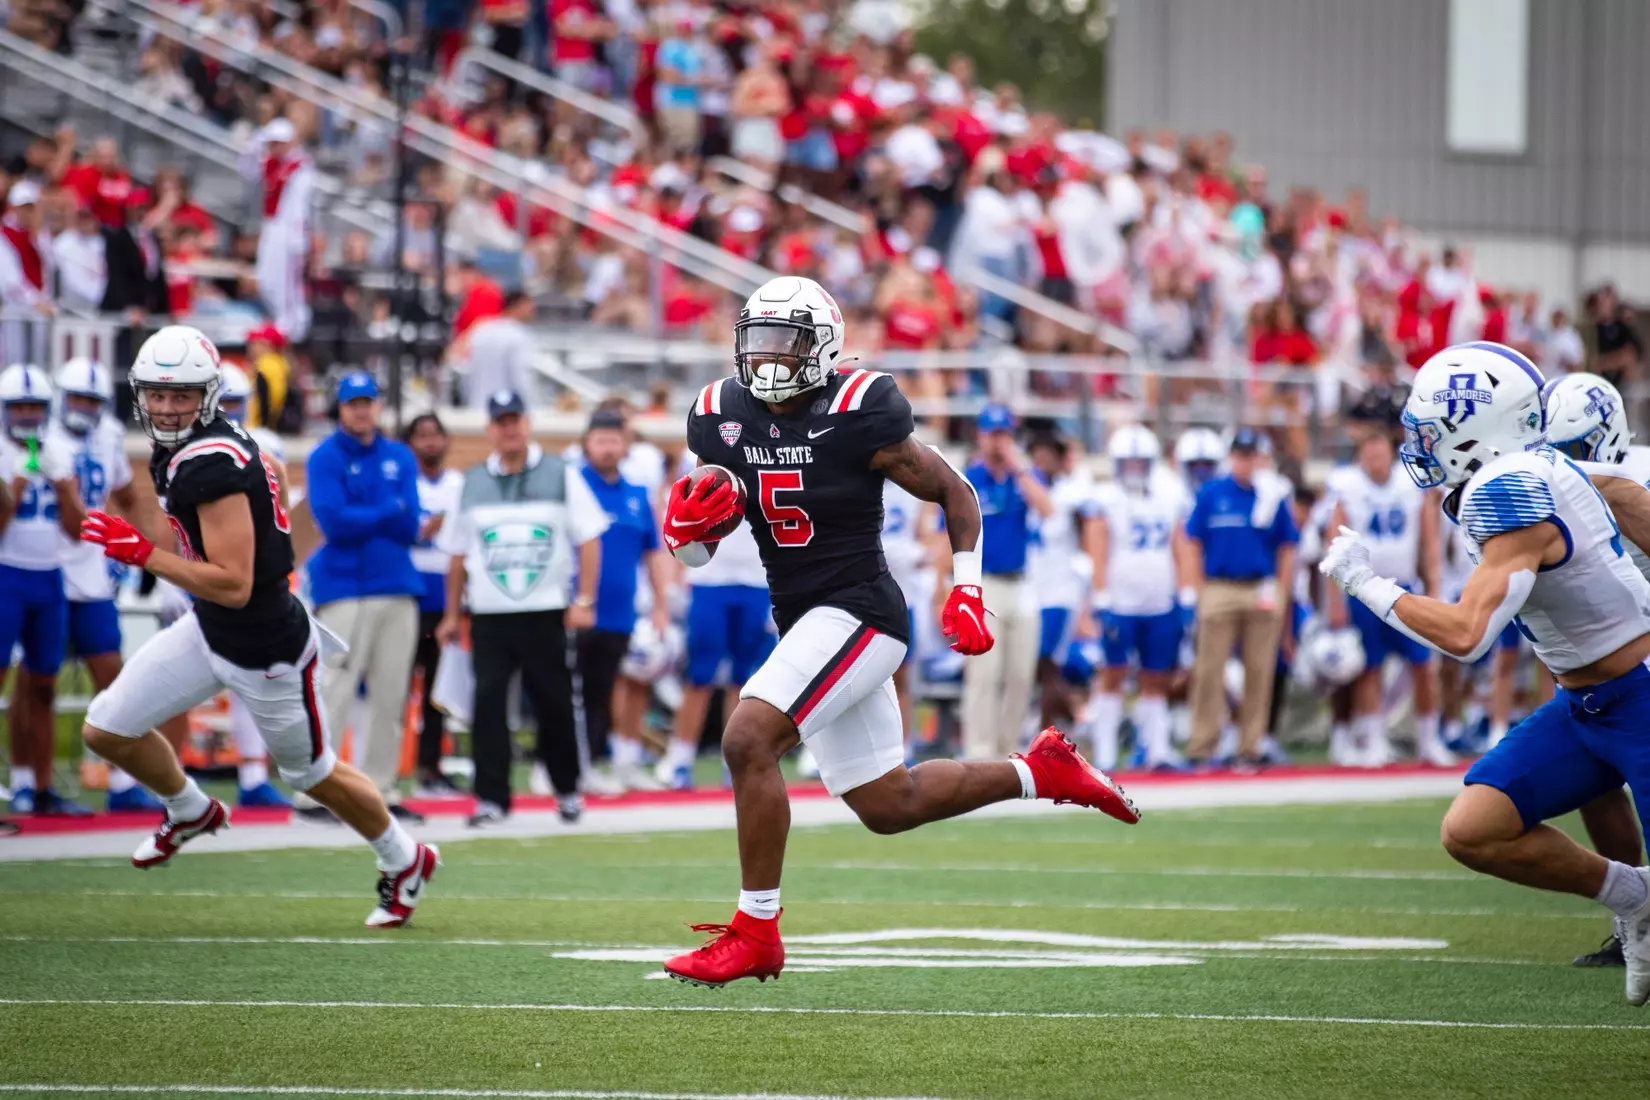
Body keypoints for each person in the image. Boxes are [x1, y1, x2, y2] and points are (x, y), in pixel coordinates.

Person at [657, 275, 1138, 989]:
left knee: (747, 737)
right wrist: (688, 536)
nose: (766, 359)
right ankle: (1041, 771)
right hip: (803, 618)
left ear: (822, 347)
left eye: (785, 343)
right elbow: (702, 539)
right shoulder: (721, 414)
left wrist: (965, 588)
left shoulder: (860, 410)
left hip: (860, 611)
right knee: (890, 804)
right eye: (756, 341)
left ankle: (755, 930)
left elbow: (956, 489)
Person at [1320, 340, 1650, 1006]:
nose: (1417, 442)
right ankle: (1636, 898)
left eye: (1428, 430)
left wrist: (1365, 583)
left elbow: (1469, 636)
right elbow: (1615, 489)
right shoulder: (1539, 466)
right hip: (1584, 705)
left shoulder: (1509, 489)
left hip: (1641, 697)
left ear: (1474, 429)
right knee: (1472, 830)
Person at [76, 325, 436, 927]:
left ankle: (404, 857)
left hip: (263, 642)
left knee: (313, 772)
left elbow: (234, 583)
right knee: (106, 729)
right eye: (156, 394)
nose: (166, 408)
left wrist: (144, 555)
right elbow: (271, 471)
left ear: (207, 394)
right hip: (211, 626)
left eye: (181, 395)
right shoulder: (211, 443)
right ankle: (188, 808)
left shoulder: (207, 464)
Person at [436, 390, 609, 827]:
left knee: (553, 702)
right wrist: (452, 615)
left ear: (527, 423)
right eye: (501, 421)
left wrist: (584, 599)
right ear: (490, 428)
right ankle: (491, 798)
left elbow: (589, 538)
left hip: (546, 609)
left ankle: (567, 789)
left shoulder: (560, 474)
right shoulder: (471, 482)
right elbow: (456, 553)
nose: (509, 428)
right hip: (490, 613)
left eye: (515, 419)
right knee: (488, 705)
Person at [1542, 371, 1650, 969]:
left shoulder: (1637, 477)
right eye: (1549, 452)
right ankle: (1636, 915)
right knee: (1597, 780)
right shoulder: (1540, 486)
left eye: (1572, 451)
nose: (1560, 464)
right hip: (1598, 655)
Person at [302, 372, 425, 824]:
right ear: (340, 408)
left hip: (396, 583)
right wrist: (384, 512)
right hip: (343, 587)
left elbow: (411, 522)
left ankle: (380, 791)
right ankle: (319, 793)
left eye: (368, 402)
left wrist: (370, 516)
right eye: (353, 403)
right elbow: (333, 523)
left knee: (391, 697)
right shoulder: (324, 457)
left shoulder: (399, 455)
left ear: (377, 406)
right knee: (335, 691)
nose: (361, 410)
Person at [50, 358, 171, 812]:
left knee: (114, 680)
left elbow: (127, 494)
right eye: (77, 397)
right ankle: (30, 782)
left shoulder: (109, 436)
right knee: (37, 682)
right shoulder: (41, 437)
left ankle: (122, 783)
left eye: (92, 400)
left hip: (92, 575)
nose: (83, 406)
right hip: (46, 570)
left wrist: (140, 553)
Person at [1323, 431, 1451, 768]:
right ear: (1360, 457)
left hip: (1404, 586)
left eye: (1380, 454)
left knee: (1422, 665)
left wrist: (1434, 584)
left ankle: (1428, 739)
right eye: (1370, 455)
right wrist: (1335, 599)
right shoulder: (1347, 486)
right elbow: (1334, 543)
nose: (1376, 462)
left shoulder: (1410, 485)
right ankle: (1374, 739)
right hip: (1364, 588)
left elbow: (1429, 538)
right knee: (1370, 667)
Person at [1183, 426, 1299, 769]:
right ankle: (1202, 746)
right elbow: (1192, 541)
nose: (1246, 462)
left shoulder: (1272, 495)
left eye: (1251, 456)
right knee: (1208, 670)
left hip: (1260, 587)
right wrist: (1195, 589)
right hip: (1219, 586)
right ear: (1232, 457)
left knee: (1259, 671)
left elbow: (1287, 547)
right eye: (1240, 455)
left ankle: (1250, 746)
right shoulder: (1211, 493)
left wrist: (1281, 589)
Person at [0, 364, 86, 816]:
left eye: (35, 407)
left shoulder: (59, 452)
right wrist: (11, 489)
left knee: (45, 685)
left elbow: (76, 531)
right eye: (20, 407)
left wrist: (65, 487)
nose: (28, 416)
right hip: (6, 574)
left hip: (48, 575)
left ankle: (41, 784)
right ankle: (17, 782)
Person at [576, 408, 672, 795]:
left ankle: (603, 762)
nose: (608, 448)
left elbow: (653, 553)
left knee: (604, 693)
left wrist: (661, 605)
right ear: (587, 444)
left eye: (615, 440)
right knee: (575, 692)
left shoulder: (636, 495)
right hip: (579, 611)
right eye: (601, 440)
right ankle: (565, 766)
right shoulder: (574, 486)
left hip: (621, 612)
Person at [214, 365, 296, 808]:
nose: (229, 413)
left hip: (250, 582)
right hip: (204, 580)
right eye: (222, 404)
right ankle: (153, 783)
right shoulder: (182, 449)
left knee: (254, 680)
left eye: (235, 404)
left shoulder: (261, 447)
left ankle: (252, 773)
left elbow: (285, 514)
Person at [1088, 425, 1192, 771]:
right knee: (1113, 673)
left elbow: (1180, 546)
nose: (1133, 468)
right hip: (1121, 600)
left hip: (1159, 599)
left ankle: (1156, 749)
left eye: (1139, 462)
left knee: (1155, 676)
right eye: (1127, 462)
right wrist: (1100, 596)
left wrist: (1187, 592)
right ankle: (1104, 752)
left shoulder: (1168, 495)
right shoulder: (1106, 498)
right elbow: (1098, 548)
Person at [959, 403, 1053, 760]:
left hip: (1021, 581)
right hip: (984, 583)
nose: (998, 442)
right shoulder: (968, 478)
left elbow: (1047, 509)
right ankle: (979, 751)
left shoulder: (1023, 476)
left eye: (1004, 435)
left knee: (1020, 674)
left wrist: (1020, 469)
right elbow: (945, 535)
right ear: (981, 437)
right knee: (984, 674)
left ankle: (1009, 749)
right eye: (993, 434)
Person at [403, 413, 466, 798]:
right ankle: (389, 768)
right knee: (394, 687)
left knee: (438, 692)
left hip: (445, 597)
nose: (429, 442)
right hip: (408, 592)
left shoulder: (458, 484)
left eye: (435, 435)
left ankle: (430, 768)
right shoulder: (401, 481)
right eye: (421, 435)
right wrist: (420, 530)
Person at [238, 118, 315, 341]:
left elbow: (300, 205)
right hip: (271, 225)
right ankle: (278, 320)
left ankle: (292, 326)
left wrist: (298, 239)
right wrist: (255, 143)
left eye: (279, 142)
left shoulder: (301, 167)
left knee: (288, 280)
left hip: (289, 228)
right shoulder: (270, 162)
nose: (275, 147)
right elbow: (246, 171)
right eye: (272, 142)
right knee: (266, 279)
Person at [463, 292, 538, 410]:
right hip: (506, 411)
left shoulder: (480, 329)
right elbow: (521, 377)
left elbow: (466, 372)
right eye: (530, 308)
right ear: (516, 306)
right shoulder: (519, 335)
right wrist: (529, 408)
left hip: (476, 406)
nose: (533, 313)